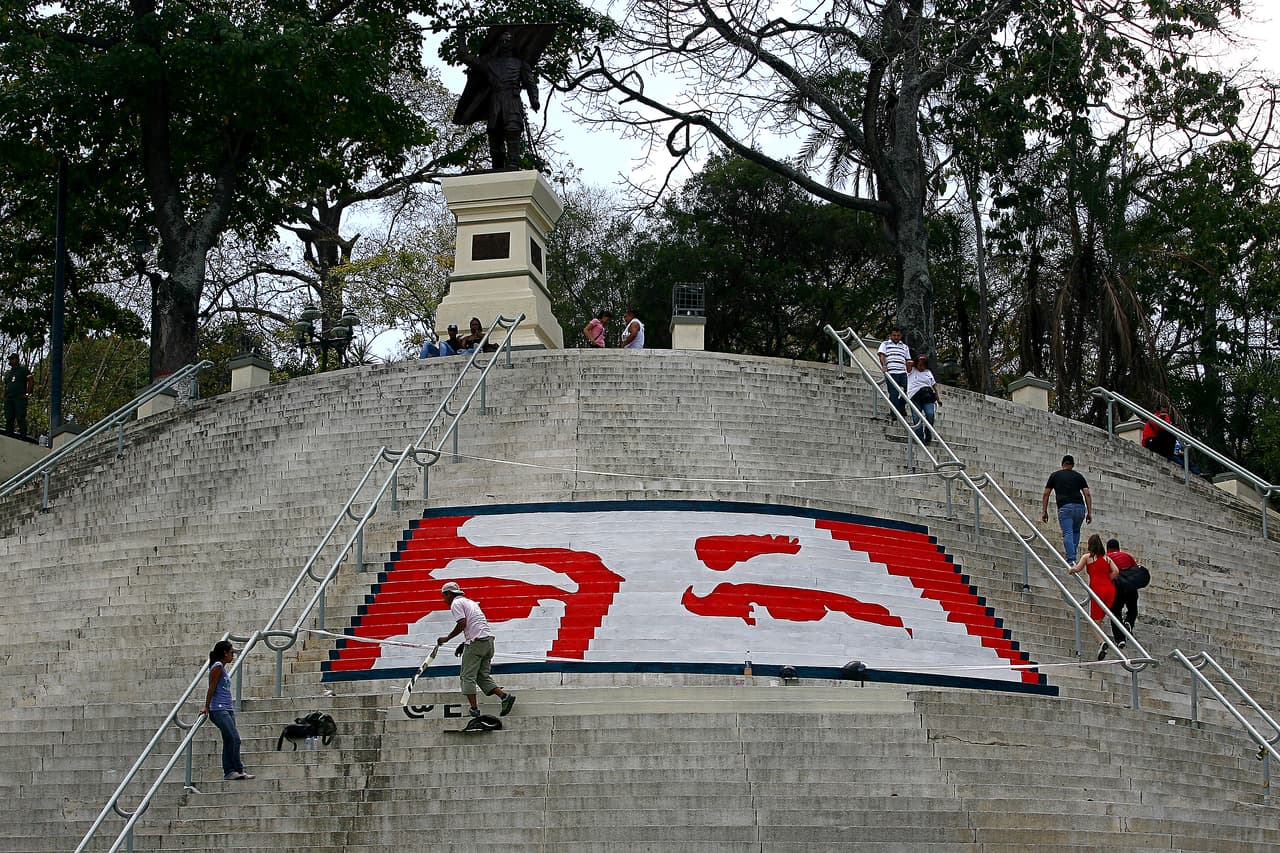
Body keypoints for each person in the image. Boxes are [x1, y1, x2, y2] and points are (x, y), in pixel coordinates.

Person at [455, 28, 541, 170]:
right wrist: (460, 34)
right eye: (502, 41)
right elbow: (465, 57)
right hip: (495, 100)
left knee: (513, 131)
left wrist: (534, 100)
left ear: (512, 43)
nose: (505, 43)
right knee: (494, 134)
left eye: (508, 40)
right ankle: (497, 166)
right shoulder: (490, 64)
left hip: (512, 100)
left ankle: (513, 163)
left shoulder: (520, 64)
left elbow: (531, 84)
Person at [437, 582, 517, 718]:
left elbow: (462, 623)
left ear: (449, 594)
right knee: (481, 676)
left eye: (444, 596)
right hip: (488, 642)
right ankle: (504, 697)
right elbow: (476, 626)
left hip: (476, 643)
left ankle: (474, 710)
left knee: (467, 676)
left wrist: (447, 638)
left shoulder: (456, 604)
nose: (444, 600)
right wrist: (464, 643)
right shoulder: (470, 602)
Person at [202, 640, 254, 781]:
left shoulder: (222, 667)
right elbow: (211, 687)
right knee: (234, 738)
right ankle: (232, 770)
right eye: (231, 653)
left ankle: (235, 770)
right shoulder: (217, 666)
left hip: (227, 708)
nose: (233, 656)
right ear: (225, 653)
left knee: (229, 739)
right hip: (218, 709)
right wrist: (207, 706)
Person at [1068, 534, 1120, 660]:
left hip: (1097, 590)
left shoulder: (1087, 557)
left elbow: (1077, 568)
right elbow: (1116, 571)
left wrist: (1071, 570)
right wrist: (1108, 579)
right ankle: (1102, 641)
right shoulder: (1107, 559)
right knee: (1099, 618)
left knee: (1094, 620)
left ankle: (1102, 642)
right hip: (1110, 589)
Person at [1040, 455, 1093, 563]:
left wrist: (1044, 511)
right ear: (1072, 465)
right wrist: (1089, 512)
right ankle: (1073, 554)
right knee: (1076, 532)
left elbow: (1046, 494)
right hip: (1080, 507)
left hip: (1065, 507)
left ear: (1062, 464)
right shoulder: (1079, 476)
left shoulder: (1055, 476)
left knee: (1068, 533)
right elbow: (1087, 494)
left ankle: (1071, 558)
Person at [1105, 538, 1139, 648]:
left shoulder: (1106, 558)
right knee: (1133, 607)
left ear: (1108, 548)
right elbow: (1135, 570)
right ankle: (1129, 622)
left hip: (1117, 586)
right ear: (1119, 548)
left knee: (1115, 612)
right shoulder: (1127, 556)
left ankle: (1120, 639)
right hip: (1131, 585)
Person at [876, 327, 911, 420]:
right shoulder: (885, 344)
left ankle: (901, 406)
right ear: (891, 335)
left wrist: (909, 371)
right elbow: (882, 355)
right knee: (893, 393)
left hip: (903, 372)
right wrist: (884, 366)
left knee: (908, 391)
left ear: (901, 336)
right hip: (891, 372)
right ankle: (894, 413)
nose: (896, 337)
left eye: (898, 335)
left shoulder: (904, 346)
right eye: (894, 335)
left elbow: (908, 360)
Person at [906, 354, 941, 444]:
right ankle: (920, 438)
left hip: (927, 395)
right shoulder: (911, 370)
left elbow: (934, 386)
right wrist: (918, 361)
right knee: (916, 417)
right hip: (914, 395)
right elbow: (908, 363)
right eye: (920, 365)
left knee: (930, 414)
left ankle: (928, 433)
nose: (922, 367)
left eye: (924, 365)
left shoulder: (928, 372)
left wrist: (938, 398)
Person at [3, 353, 34, 437]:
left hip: (19, 397)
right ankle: (9, 434)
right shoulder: (8, 373)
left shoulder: (23, 370)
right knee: (9, 417)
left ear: (17, 360)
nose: (11, 361)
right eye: (10, 359)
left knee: (20, 417)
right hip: (9, 398)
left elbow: (30, 380)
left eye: (12, 359)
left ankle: (23, 436)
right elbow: (6, 385)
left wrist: (27, 393)